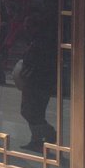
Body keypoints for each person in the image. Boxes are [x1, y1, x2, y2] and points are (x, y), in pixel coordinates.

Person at [14, 12, 57, 152]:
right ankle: (37, 139)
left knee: (31, 112)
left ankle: (48, 133)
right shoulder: (35, 41)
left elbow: (37, 62)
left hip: (38, 83)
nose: (26, 28)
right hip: (34, 82)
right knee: (32, 112)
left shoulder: (42, 43)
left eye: (29, 26)